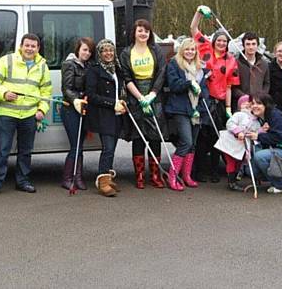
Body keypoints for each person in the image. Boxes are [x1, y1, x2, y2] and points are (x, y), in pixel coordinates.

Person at [0, 33, 52, 197]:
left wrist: (42, 110)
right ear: (21, 46)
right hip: (7, 112)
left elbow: (46, 92)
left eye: (33, 46)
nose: (29, 49)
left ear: (38, 49)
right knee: (2, 150)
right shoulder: (7, 60)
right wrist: (4, 92)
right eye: (27, 45)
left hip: (30, 114)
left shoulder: (42, 66)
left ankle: (23, 181)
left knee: (26, 151)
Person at [190, 6, 240, 183]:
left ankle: (213, 170)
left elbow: (229, 86)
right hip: (204, 100)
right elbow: (193, 29)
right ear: (214, 41)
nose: (221, 43)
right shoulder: (205, 49)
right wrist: (198, 12)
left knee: (217, 137)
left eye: (224, 41)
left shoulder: (231, 60)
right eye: (219, 40)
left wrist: (227, 107)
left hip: (219, 103)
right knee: (202, 137)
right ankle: (198, 170)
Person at [120, 19, 168, 189]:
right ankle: (139, 175)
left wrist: (152, 94)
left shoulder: (156, 50)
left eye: (146, 31)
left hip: (154, 96)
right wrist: (140, 98)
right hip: (136, 98)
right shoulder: (126, 53)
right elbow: (127, 78)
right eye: (140, 30)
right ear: (134, 32)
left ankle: (155, 174)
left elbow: (162, 72)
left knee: (155, 136)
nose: (143, 34)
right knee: (138, 137)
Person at [164, 37, 210, 191]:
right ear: (182, 50)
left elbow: (204, 89)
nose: (190, 52)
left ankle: (187, 176)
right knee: (186, 142)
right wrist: (190, 84)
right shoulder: (174, 64)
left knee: (193, 145)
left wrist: (202, 93)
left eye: (193, 49)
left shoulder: (199, 68)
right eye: (187, 49)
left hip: (196, 110)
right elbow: (174, 85)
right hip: (180, 108)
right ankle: (173, 175)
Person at [85, 39, 127, 197]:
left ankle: (107, 178)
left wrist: (121, 101)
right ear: (99, 53)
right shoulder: (94, 70)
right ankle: (102, 181)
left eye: (111, 50)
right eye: (104, 51)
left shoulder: (117, 68)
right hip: (104, 114)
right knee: (108, 149)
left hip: (117, 114)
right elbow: (91, 95)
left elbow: (120, 89)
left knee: (112, 149)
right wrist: (112, 103)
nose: (108, 53)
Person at [60, 37, 95, 191]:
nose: (87, 53)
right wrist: (76, 100)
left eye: (89, 51)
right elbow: (66, 89)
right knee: (76, 145)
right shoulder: (69, 64)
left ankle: (78, 177)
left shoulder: (88, 66)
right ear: (78, 50)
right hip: (70, 109)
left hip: (83, 108)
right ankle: (68, 178)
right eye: (84, 50)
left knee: (80, 145)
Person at [247, 93, 282, 194]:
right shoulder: (257, 117)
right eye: (252, 103)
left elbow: (280, 137)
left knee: (259, 157)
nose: (255, 106)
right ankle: (273, 179)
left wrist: (258, 136)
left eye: (258, 103)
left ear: (266, 105)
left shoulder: (275, 115)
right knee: (250, 171)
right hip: (271, 149)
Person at [221, 95, 262, 191]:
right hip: (231, 143)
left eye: (249, 105)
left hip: (243, 145)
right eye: (244, 105)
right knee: (231, 161)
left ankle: (234, 179)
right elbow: (229, 123)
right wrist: (238, 131)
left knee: (239, 162)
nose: (247, 107)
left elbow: (255, 131)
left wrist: (261, 131)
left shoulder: (256, 121)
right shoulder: (239, 115)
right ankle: (231, 182)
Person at [232, 31, 270, 110]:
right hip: (242, 104)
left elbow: (266, 83)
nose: (251, 47)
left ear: (257, 45)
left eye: (253, 44)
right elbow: (232, 86)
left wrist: (261, 96)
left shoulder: (264, 64)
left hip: (259, 104)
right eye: (248, 44)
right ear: (243, 46)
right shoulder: (235, 63)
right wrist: (244, 97)